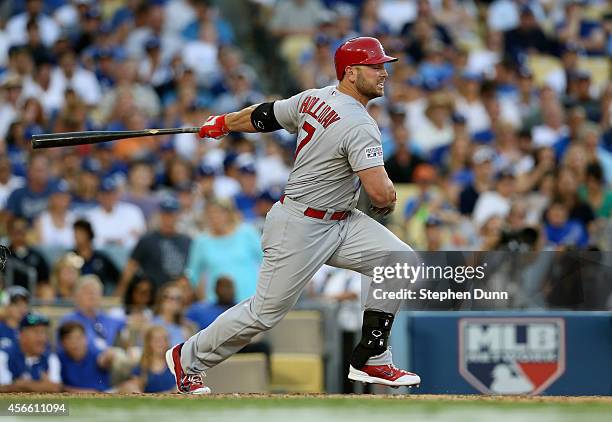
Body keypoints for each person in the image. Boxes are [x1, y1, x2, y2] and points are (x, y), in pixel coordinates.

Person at [166, 37, 421, 394]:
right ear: (351, 72)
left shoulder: (312, 97)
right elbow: (380, 193)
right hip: (301, 224)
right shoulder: (358, 124)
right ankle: (187, 357)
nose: (383, 73)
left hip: (340, 219)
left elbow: (263, 115)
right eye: (375, 66)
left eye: (383, 66)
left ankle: (372, 358)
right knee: (263, 314)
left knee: (400, 263)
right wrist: (390, 198)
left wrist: (223, 122)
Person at [185, 199, 262, 302]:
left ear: (229, 213)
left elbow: (266, 260)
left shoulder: (247, 233)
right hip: (216, 304)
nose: (214, 217)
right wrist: (203, 300)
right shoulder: (201, 241)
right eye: (210, 213)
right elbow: (193, 274)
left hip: (250, 302)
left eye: (219, 212)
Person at [116, 195, 191, 296]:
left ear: (178, 216)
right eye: (165, 214)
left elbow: (193, 270)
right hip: (151, 296)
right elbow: (130, 267)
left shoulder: (187, 241)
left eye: (172, 214)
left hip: (177, 296)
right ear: (159, 215)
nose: (168, 218)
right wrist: (120, 292)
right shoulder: (147, 240)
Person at [59, 276, 126, 351]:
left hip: (108, 359)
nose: (92, 295)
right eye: (87, 292)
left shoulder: (107, 319)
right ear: (76, 296)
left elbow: (126, 323)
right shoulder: (69, 321)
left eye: (95, 292)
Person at [0, 312, 61, 392]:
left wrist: (24, 384)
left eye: (44, 332)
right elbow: (3, 389)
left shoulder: (50, 358)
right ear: (21, 335)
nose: (42, 338)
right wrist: (42, 386)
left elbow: (55, 388)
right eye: (36, 332)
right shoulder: (4, 355)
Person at [57, 321, 113, 392]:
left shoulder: (96, 355)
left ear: (86, 339)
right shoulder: (58, 359)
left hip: (104, 395)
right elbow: (56, 386)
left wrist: (109, 357)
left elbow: (104, 360)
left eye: (79, 338)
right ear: (62, 343)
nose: (75, 343)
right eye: (69, 338)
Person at [72, 219, 120, 295]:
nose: (76, 236)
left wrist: (115, 297)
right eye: (75, 233)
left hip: (98, 301)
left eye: (80, 233)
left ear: (89, 234)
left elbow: (119, 278)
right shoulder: (69, 257)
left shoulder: (102, 258)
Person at [126, 325, 176, 393]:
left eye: (163, 340)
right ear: (149, 343)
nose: (160, 344)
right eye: (156, 340)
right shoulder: (142, 367)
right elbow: (135, 389)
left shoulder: (176, 364)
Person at [0, 286, 30, 351]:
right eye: (17, 304)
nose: (22, 308)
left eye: (25, 304)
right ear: (6, 306)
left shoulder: (31, 330)